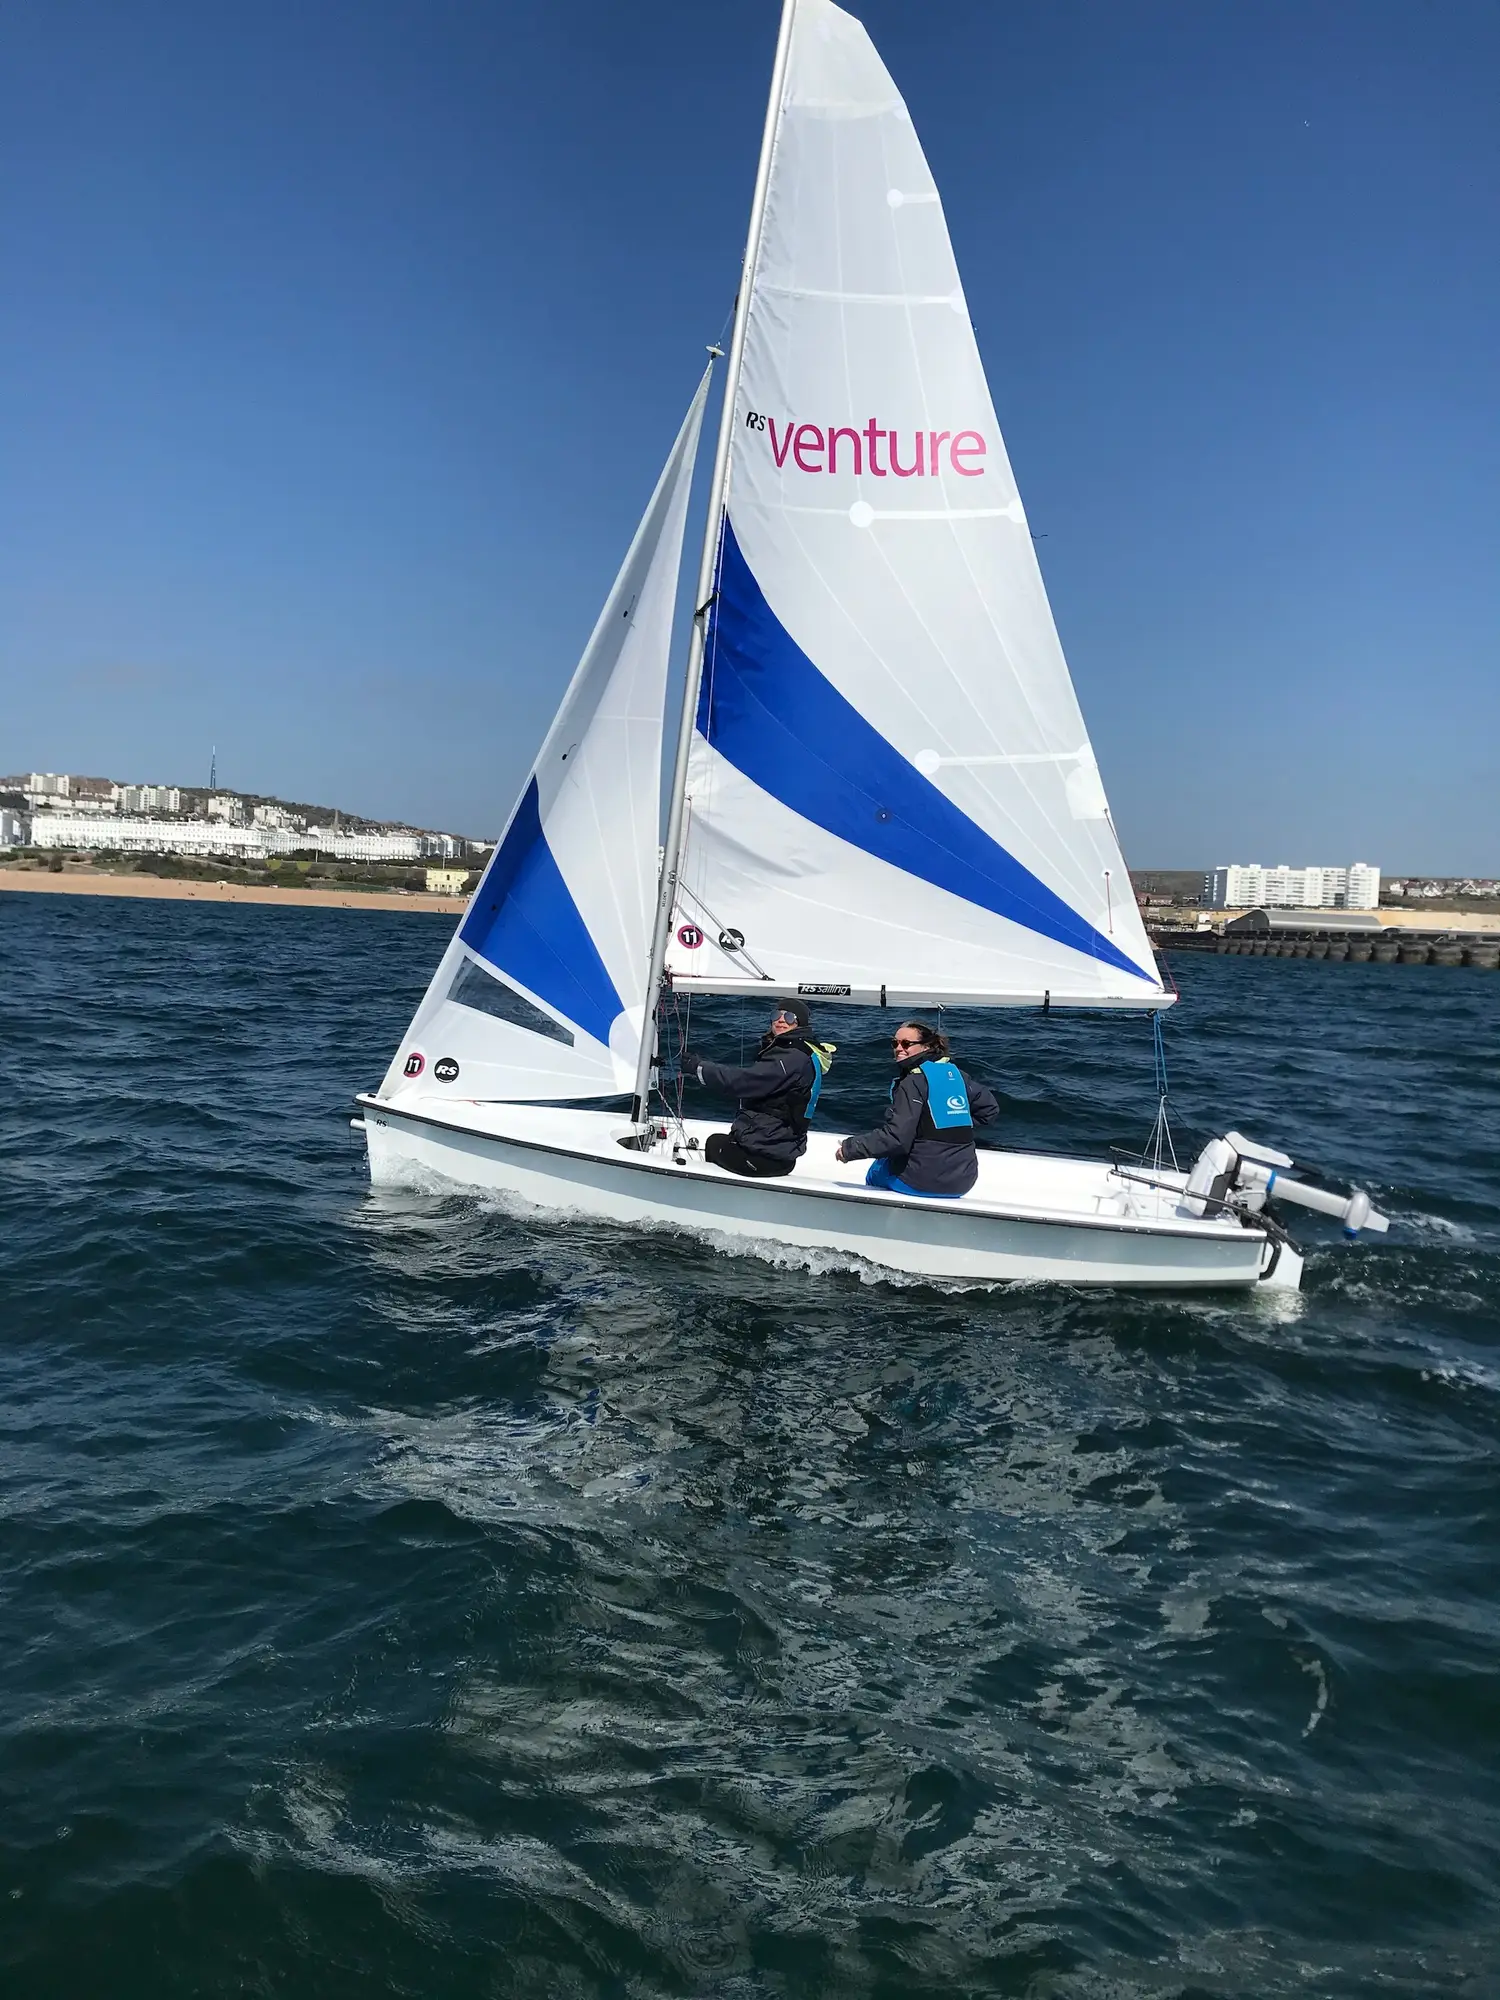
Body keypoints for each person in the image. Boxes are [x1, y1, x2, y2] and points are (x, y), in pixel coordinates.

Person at [834, 1021, 999, 1197]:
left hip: (921, 1181)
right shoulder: (957, 1074)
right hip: (964, 1180)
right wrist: (949, 1126)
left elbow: (896, 1139)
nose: (898, 1048)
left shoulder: (913, 1082)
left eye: (906, 1044)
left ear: (926, 1046)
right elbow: (989, 1110)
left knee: (876, 1171)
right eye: (894, 1043)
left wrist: (849, 1148)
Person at [681, 999, 835, 1178]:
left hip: (765, 1156)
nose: (781, 1020)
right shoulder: (804, 1052)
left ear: (799, 1023)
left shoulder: (789, 1058)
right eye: (776, 1015)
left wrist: (699, 1068)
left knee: (714, 1144)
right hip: (782, 1151)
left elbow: (742, 1082)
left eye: (789, 1017)